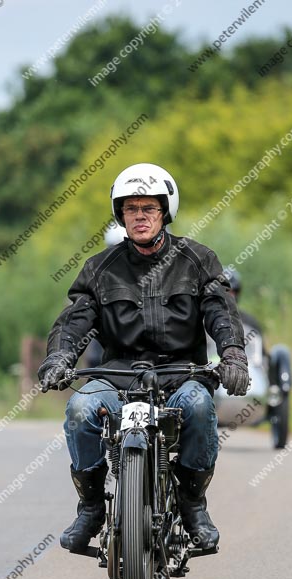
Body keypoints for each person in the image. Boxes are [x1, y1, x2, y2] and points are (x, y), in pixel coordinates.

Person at [38, 163, 249, 555]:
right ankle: (91, 508)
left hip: (181, 374)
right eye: (131, 209)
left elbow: (220, 311)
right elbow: (75, 319)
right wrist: (58, 357)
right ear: (120, 215)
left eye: (148, 208)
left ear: (164, 211)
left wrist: (233, 354)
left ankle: (192, 504)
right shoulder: (99, 269)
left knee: (200, 406)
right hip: (117, 375)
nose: (139, 216)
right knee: (81, 409)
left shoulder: (197, 260)